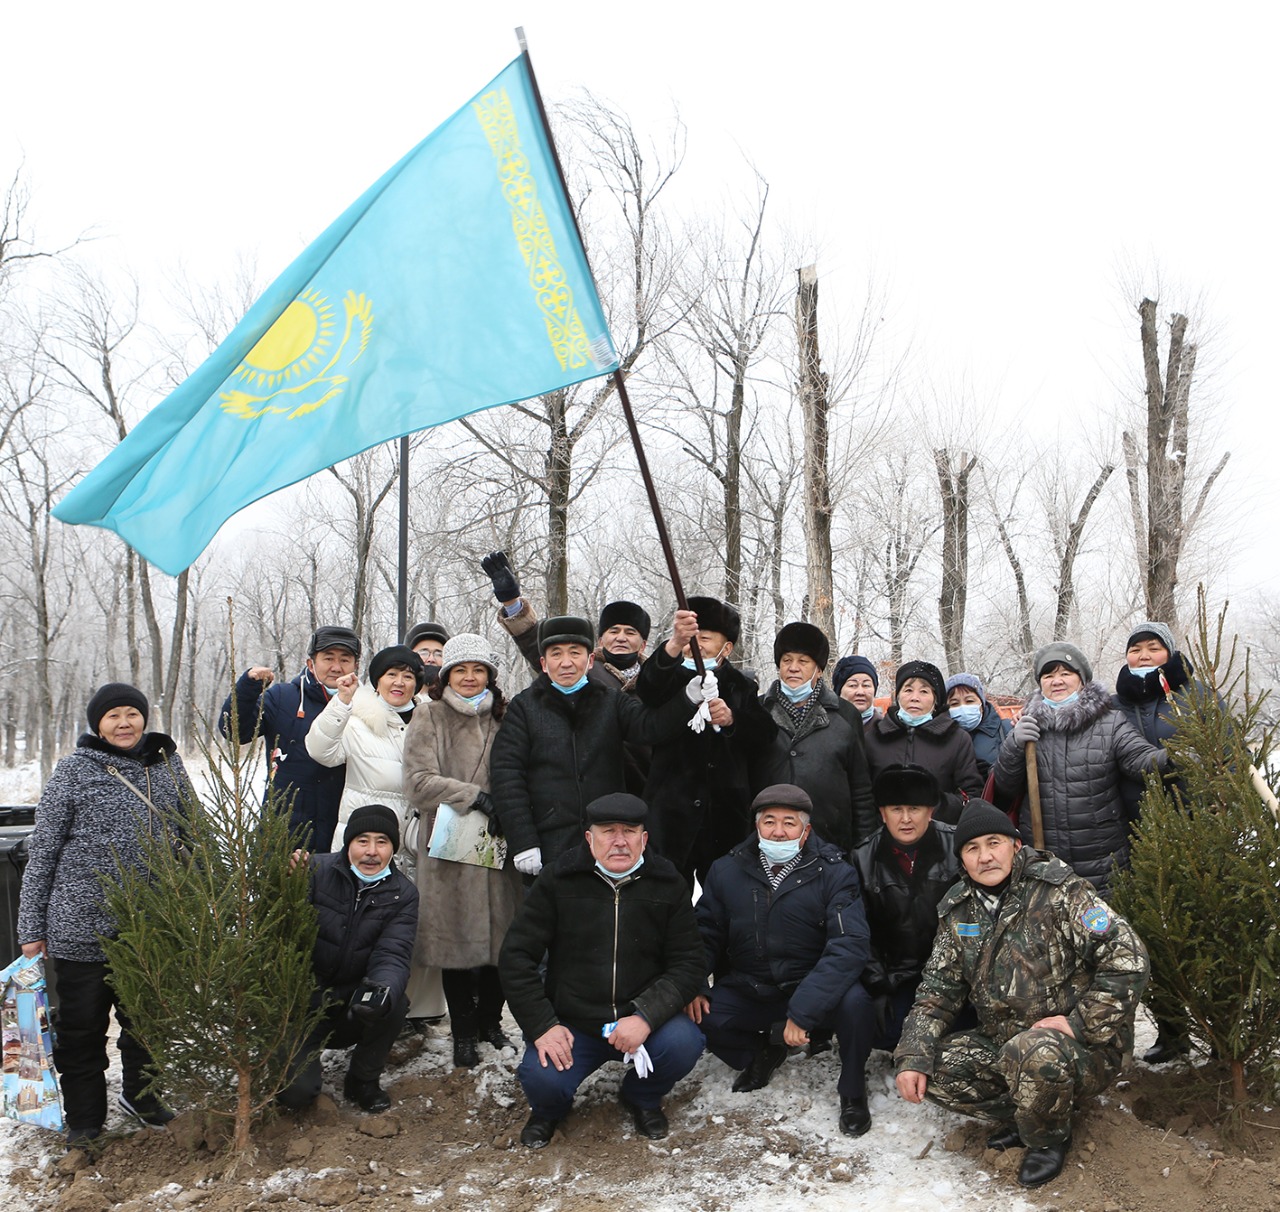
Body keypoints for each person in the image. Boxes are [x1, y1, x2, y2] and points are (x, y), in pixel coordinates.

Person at [893, 801, 1149, 1189]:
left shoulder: (1059, 891)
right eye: (972, 848)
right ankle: (1030, 1112)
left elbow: (1128, 957)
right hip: (1006, 1042)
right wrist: (913, 1055)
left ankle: (1047, 1138)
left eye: (993, 843)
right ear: (962, 860)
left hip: (1083, 1048)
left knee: (1031, 1050)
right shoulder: (959, 910)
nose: (985, 856)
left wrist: (1080, 1023)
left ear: (1014, 845)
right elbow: (938, 990)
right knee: (934, 1069)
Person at [18, 683, 192, 1146]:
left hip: (151, 925)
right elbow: (43, 852)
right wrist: (31, 927)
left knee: (147, 1023)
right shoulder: (74, 771)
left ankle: (143, 1097)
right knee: (82, 1029)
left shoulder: (167, 765)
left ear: (144, 718)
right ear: (98, 724)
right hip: (81, 927)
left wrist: (200, 897)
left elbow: (192, 835)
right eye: (113, 716)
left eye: (132, 714)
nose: (124, 723)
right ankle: (85, 1120)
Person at [499, 794, 706, 1147]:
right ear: (589, 837)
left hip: (639, 1019)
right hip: (573, 1022)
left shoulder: (667, 883)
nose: (619, 841)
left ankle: (641, 1096)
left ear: (644, 838)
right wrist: (543, 1026)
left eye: (630, 831)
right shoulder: (558, 879)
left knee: (684, 1043)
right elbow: (516, 956)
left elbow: (688, 961)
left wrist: (645, 1016)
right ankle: (549, 1110)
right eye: (608, 831)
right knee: (543, 1080)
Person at [687, 785, 872, 1135]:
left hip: (811, 986)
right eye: (769, 821)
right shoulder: (726, 870)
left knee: (857, 1004)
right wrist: (695, 982)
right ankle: (760, 1052)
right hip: (753, 985)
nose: (778, 831)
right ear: (757, 827)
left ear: (806, 830)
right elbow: (705, 933)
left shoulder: (835, 872)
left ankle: (852, 1089)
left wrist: (803, 1011)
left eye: (789, 823)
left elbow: (849, 944)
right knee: (697, 1012)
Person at [489, 615, 691, 875]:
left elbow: (650, 726)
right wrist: (524, 841)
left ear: (591, 660)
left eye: (575, 653)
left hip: (607, 841)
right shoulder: (524, 707)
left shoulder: (611, 701)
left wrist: (688, 698)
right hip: (549, 841)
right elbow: (507, 775)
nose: (566, 662)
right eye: (556, 654)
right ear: (544, 663)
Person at [402, 634, 522, 1069]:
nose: (470, 677)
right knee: (453, 943)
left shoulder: (506, 717)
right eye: (460, 670)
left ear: (490, 675)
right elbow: (417, 783)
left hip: (500, 839)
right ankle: (464, 1032)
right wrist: (474, 796)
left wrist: (508, 805)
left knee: (502, 939)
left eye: (478, 670)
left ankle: (491, 1023)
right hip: (449, 843)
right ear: (446, 675)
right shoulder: (429, 715)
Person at [1111, 620, 1212, 1063]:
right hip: (1137, 833)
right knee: (1154, 933)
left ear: (1169, 653)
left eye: (1153, 647)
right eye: (1136, 649)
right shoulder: (1115, 706)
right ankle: (1172, 1032)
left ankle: (1220, 1031)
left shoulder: (1196, 696)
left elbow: (1226, 751)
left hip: (1197, 829)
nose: (1144, 655)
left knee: (1202, 929)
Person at [992, 642, 1168, 895]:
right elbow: (1005, 785)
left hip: (1103, 864)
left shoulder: (1109, 722)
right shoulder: (1027, 727)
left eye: (1066, 673)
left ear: (1082, 681)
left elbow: (1141, 760)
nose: (1057, 681)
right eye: (1048, 676)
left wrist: (1174, 757)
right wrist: (1014, 744)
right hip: (1044, 864)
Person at [278, 805, 419, 1114]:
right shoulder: (314, 871)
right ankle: (290, 1065)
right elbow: (281, 929)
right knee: (296, 1096)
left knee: (394, 1001)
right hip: (302, 1004)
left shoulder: (403, 894)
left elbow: (393, 953)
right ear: (348, 843)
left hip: (352, 1004)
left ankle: (362, 1080)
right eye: (362, 840)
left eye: (382, 842)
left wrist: (378, 994)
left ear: (393, 848)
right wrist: (284, 877)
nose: (371, 852)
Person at [850, 766, 966, 1123]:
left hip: (951, 974)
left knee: (960, 1033)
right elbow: (857, 930)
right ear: (882, 813)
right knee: (881, 1026)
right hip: (895, 973)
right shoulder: (862, 858)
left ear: (930, 811)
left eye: (914, 808)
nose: (905, 819)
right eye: (896, 809)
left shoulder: (958, 848)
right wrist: (877, 982)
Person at [636, 597, 776, 888]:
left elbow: (766, 734)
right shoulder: (669, 676)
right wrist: (674, 643)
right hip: (671, 813)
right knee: (667, 893)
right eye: (692, 637)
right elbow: (646, 688)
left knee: (724, 895)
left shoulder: (740, 685)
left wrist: (732, 719)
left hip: (723, 816)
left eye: (705, 638)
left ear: (727, 647)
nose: (695, 645)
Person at [220, 625, 361, 851]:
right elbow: (235, 731)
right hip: (284, 833)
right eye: (328, 658)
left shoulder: (364, 707)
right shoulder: (283, 698)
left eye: (345, 660)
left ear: (356, 666)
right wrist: (247, 687)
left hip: (343, 832)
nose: (336, 667)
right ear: (311, 664)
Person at [753, 622, 876, 852]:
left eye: (803, 661)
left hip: (829, 843)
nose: (793, 668)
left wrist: (864, 848)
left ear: (818, 670)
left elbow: (860, 790)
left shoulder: (845, 714)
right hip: (768, 843)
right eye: (787, 660)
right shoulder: (757, 711)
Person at [305, 645, 426, 850]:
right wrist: (341, 702)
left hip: (414, 849)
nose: (399, 682)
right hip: (364, 846)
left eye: (408, 676)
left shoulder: (430, 725)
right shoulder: (356, 722)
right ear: (377, 681)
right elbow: (320, 752)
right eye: (391, 674)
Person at [863, 660, 983, 825]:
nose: (915, 698)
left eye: (924, 691)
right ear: (898, 696)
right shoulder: (874, 737)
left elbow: (971, 794)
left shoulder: (957, 739)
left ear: (935, 700)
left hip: (939, 833)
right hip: (884, 832)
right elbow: (862, 794)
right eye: (908, 690)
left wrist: (930, 803)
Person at [944, 673, 1011, 779]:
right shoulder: (941, 737)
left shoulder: (1007, 729)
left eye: (969, 701)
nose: (963, 708)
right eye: (954, 703)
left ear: (982, 703)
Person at [832, 655, 882, 726]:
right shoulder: (823, 727)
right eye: (853, 685)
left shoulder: (887, 730)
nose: (860, 692)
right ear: (839, 691)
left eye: (866, 685)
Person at [405, 621, 450, 687]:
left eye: (438, 654)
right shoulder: (396, 691)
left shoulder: (458, 692)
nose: (431, 659)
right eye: (424, 653)